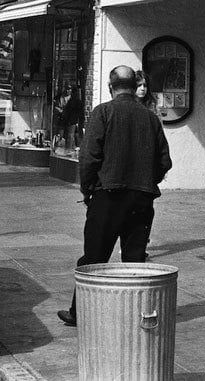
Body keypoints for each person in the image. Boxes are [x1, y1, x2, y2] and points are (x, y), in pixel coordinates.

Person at [57, 66, 172, 326]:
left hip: (108, 195)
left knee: (94, 257)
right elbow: (165, 161)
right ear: (134, 87)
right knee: (135, 258)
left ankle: (81, 312)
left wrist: (88, 190)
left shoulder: (104, 112)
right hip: (141, 199)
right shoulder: (151, 118)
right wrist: (145, 180)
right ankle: (137, 314)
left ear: (111, 87)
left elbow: (88, 158)